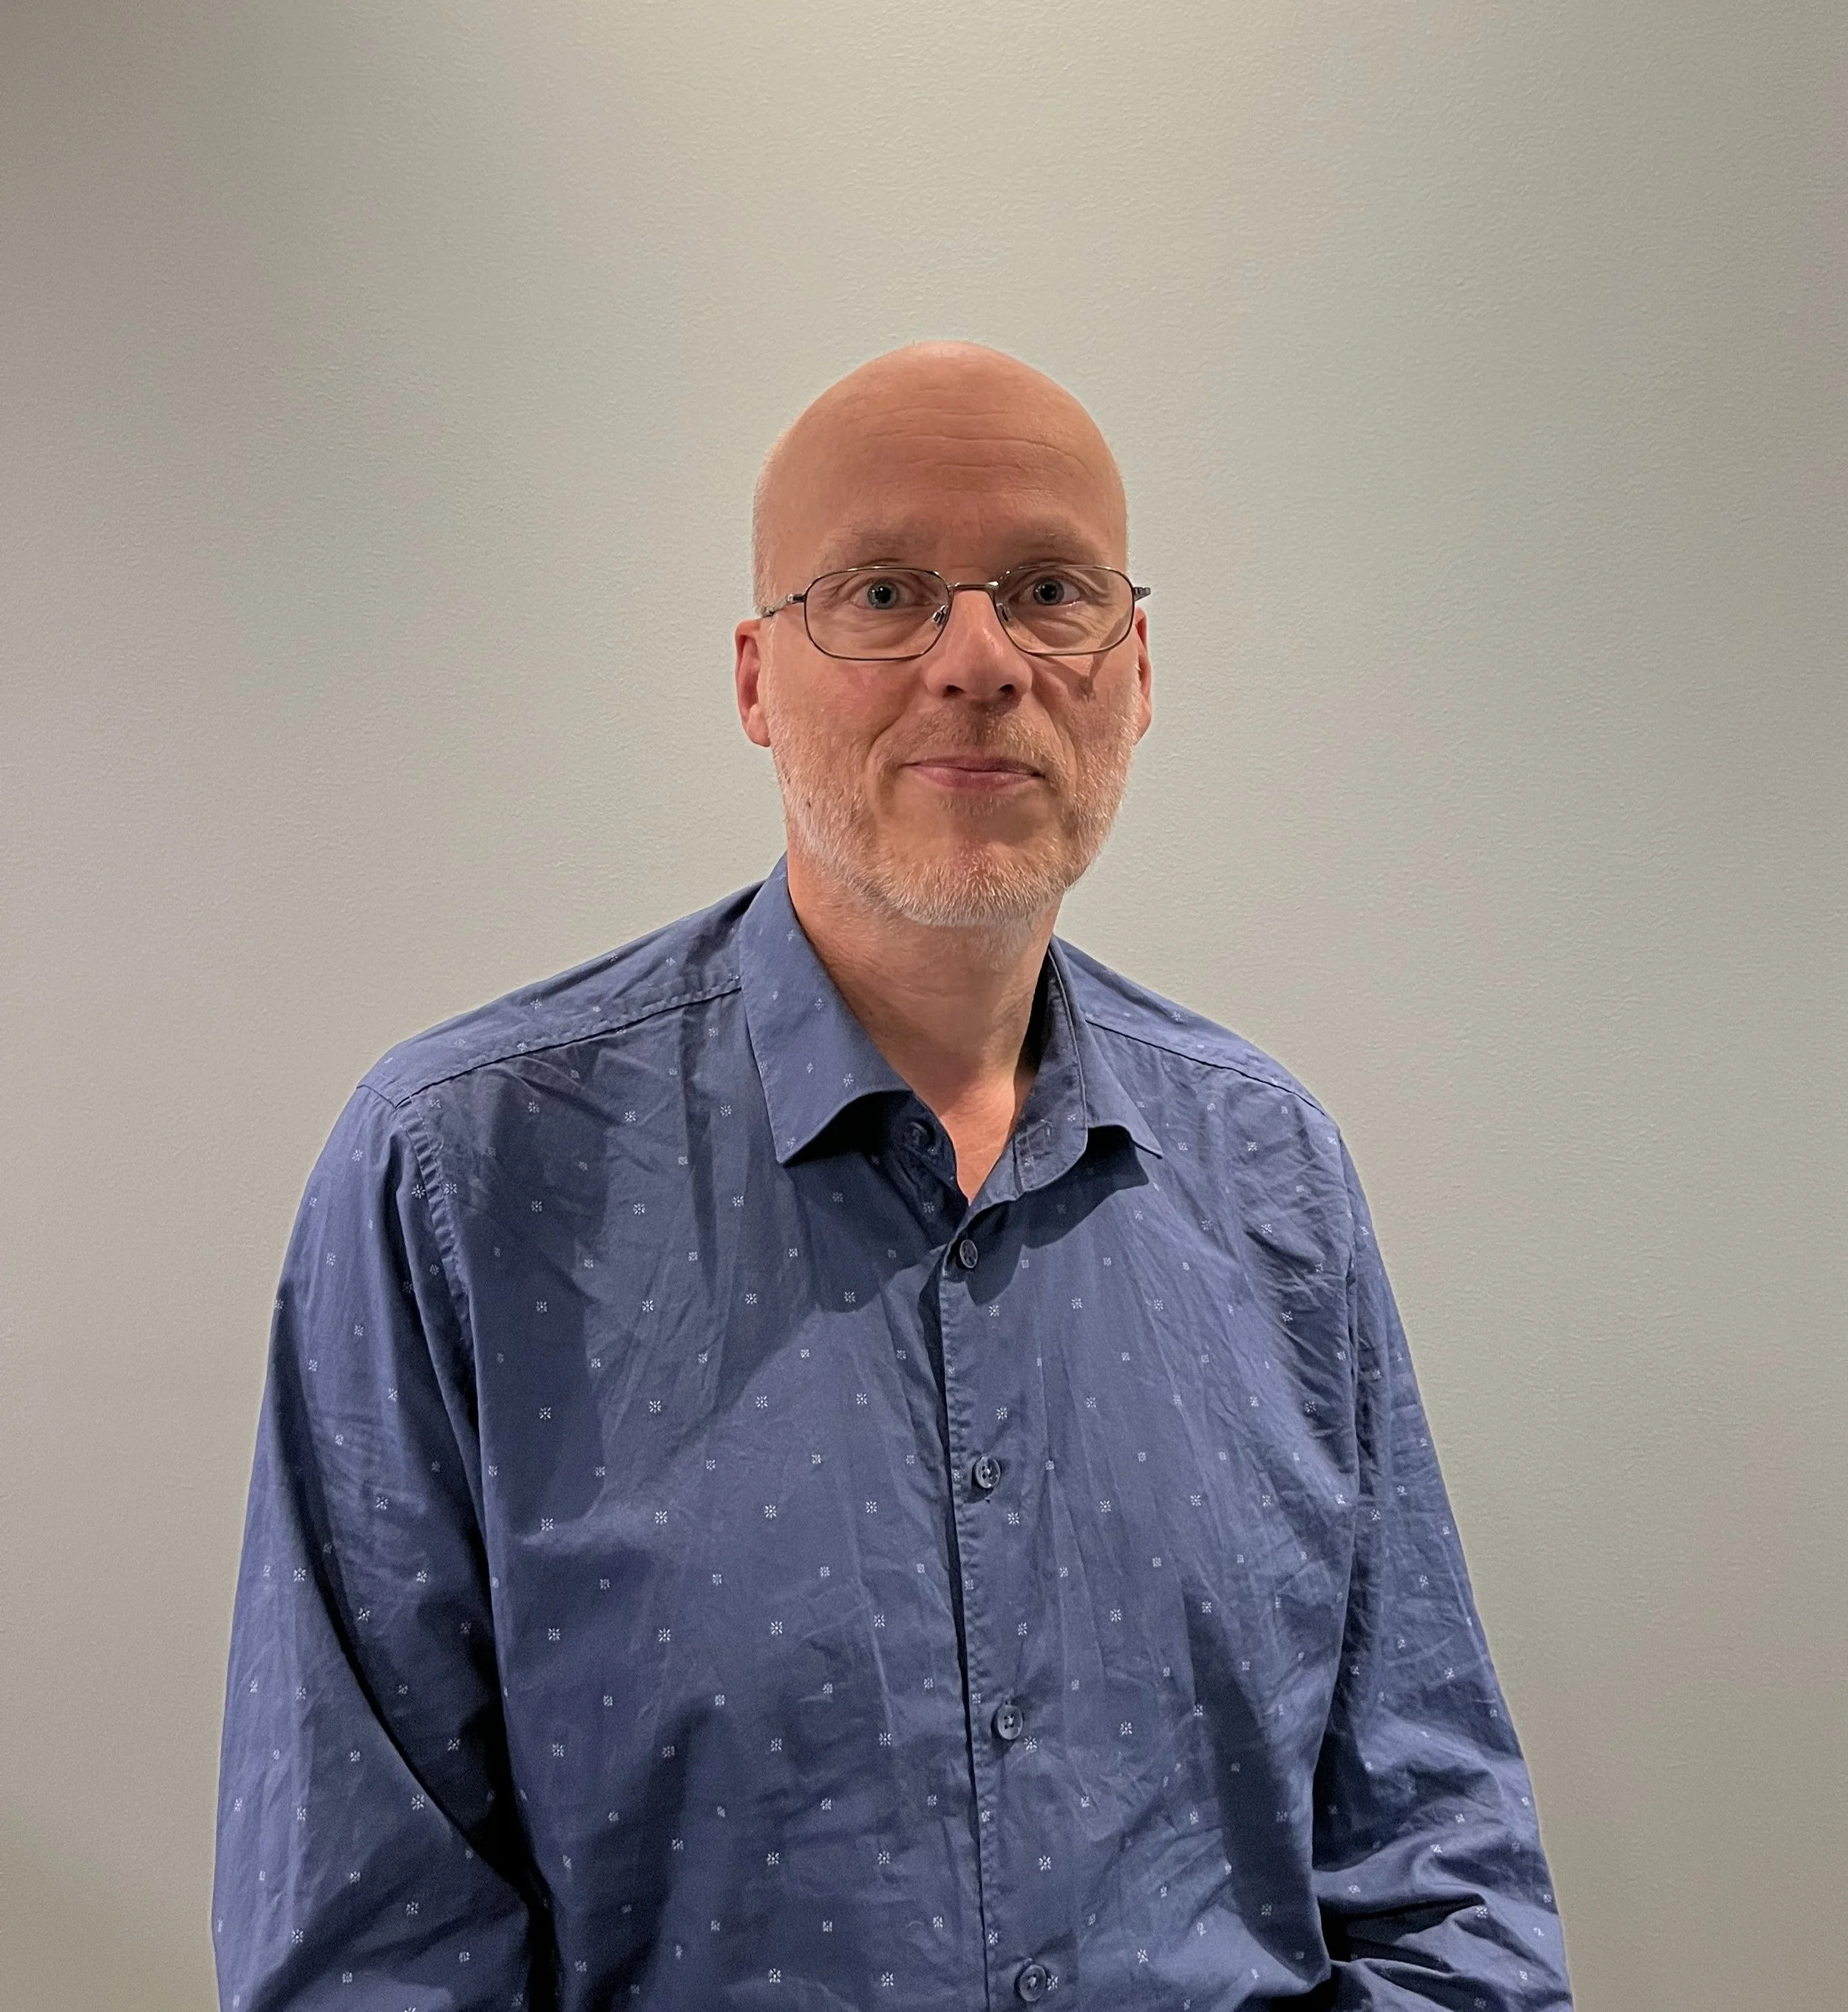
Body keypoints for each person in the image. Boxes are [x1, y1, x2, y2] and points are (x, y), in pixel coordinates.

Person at [212, 341, 1574, 2011]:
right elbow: (370, 1942)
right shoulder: (461, 1174)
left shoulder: (1269, 1173)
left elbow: (1440, 1862)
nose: (981, 660)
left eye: (1049, 589)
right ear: (750, 676)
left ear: (1133, 667)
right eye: (883, 591)